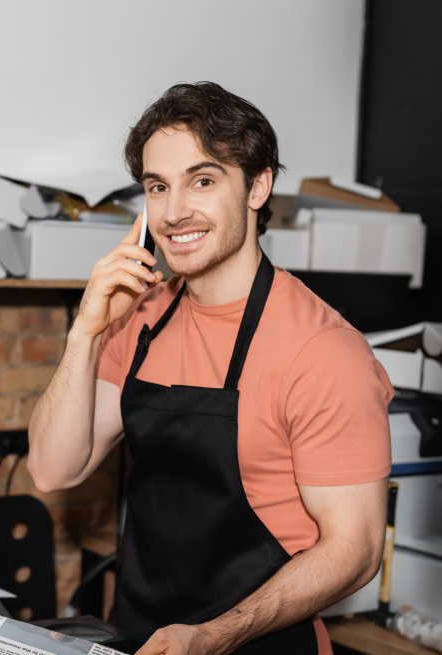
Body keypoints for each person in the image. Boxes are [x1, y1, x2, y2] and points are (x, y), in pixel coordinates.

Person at [28, 82, 393, 655]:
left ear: (258, 185)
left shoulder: (323, 352)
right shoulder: (141, 317)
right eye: (157, 187)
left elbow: (357, 550)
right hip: (145, 638)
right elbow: (53, 470)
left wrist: (213, 636)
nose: (174, 213)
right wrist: (87, 331)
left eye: (202, 180)